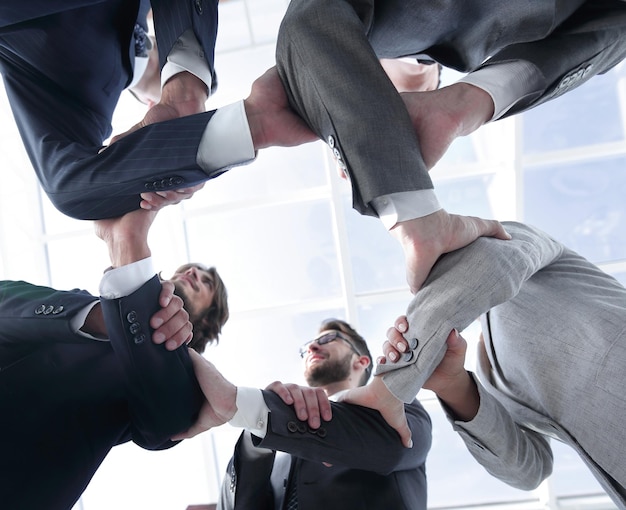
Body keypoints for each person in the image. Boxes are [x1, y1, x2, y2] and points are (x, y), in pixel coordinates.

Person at [275, 0, 626, 292]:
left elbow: (311, 23)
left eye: (380, 114)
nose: (391, 114)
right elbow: (612, 27)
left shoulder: (385, 17)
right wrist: (464, 103)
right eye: (395, 124)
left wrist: (412, 214)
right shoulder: (468, 48)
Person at [337, 221, 626, 506]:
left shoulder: (512, 239)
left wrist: (391, 385)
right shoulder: (488, 371)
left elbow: (492, 260)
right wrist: (453, 385)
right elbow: (529, 471)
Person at [0, 1, 315, 221]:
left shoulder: (84, 106)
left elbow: (68, 187)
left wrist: (184, 91)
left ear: (148, 106)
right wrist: (186, 83)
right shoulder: (84, 103)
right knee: (67, 191)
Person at [0, 206, 228, 510]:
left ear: (207, 320)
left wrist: (128, 245)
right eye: (190, 269)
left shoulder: (185, 386)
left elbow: (166, 423)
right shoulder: (79, 304)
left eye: (205, 283)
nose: (194, 273)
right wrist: (98, 316)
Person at [182, 319, 432, 510]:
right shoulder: (277, 447)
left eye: (328, 339)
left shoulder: (398, 403)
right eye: (308, 347)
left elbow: (394, 447)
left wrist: (247, 407)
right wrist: (256, 432)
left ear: (362, 361)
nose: (312, 345)